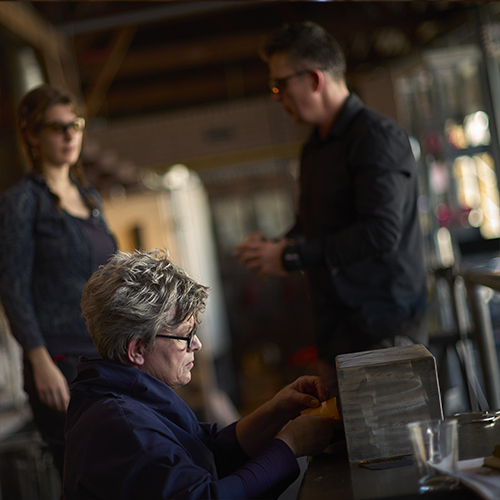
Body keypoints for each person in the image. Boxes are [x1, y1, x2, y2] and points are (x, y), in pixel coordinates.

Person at [63, 249, 337, 500]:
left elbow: (207, 452)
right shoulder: (122, 426)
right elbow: (205, 496)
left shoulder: (130, 397)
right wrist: (290, 445)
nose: (197, 344)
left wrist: (277, 411)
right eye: (185, 336)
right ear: (136, 349)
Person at [235, 22, 427, 371]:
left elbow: (380, 232)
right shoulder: (315, 146)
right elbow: (319, 224)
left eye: (279, 85)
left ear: (314, 79)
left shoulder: (375, 137)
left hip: (382, 329)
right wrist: (276, 247)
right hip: (337, 327)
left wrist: (291, 257)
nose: (276, 97)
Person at [0, 84, 117, 477]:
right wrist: (39, 359)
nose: (69, 135)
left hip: (108, 355)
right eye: (56, 127)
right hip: (61, 362)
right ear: (31, 135)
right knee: (86, 472)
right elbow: (12, 287)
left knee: (125, 466)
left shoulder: (91, 200)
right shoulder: (22, 201)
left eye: (76, 125)